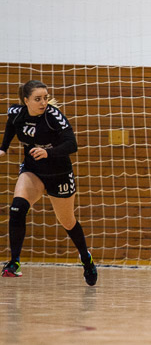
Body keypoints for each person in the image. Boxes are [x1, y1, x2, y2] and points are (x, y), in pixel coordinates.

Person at [0, 80, 97, 285]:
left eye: (45, 98)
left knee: (67, 222)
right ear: (26, 100)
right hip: (33, 171)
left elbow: (72, 144)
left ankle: (86, 258)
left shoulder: (53, 116)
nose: (43, 102)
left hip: (59, 174)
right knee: (17, 208)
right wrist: (3, 147)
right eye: (38, 99)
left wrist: (48, 152)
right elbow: (11, 125)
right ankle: (14, 262)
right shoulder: (16, 113)